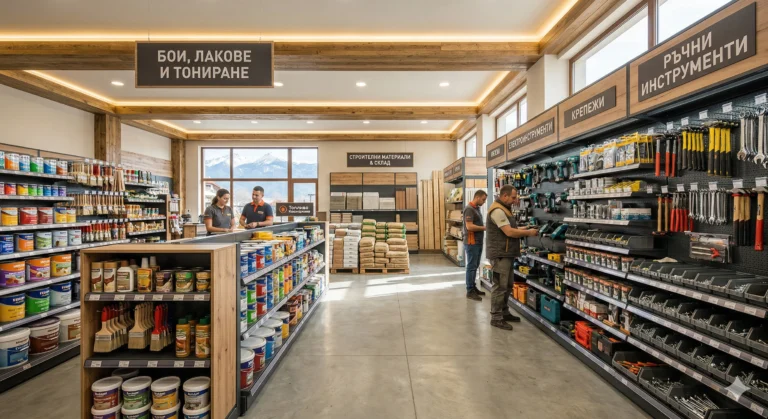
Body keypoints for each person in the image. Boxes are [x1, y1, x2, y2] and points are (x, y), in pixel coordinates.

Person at [486, 184, 538, 330]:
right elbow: (509, 232)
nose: (515, 200)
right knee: (500, 287)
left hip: (506, 253)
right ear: (505, 196)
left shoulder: (504, 209)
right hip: (500, 254)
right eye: (513, 197)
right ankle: (496, 318)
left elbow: (509, 229)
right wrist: (528, 233)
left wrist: (526, 228)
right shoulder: (497, 210)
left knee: (507, 286)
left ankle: (504, 312)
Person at [464, 190, 488, 301]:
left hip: (478, 242)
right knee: (471, 267)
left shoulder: (476, 209)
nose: (484, 202)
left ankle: (473, 287)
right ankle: (469, 291)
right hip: (472, 242)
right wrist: (484, 228)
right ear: (477, 197)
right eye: (483, 199)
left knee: (475, 266)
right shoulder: (469, 209)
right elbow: (469, 226)